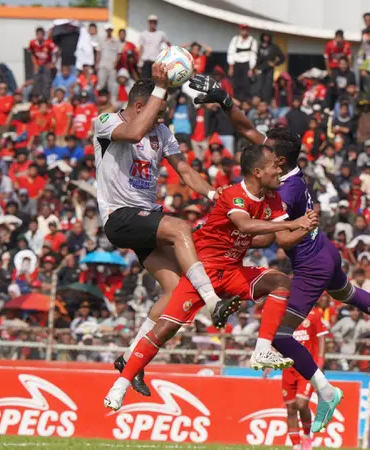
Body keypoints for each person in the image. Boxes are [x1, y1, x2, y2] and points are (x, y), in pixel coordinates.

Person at [188, 72, 370, 430]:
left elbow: (283, 240)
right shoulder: (287, 168)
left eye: (267, 146)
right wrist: (224, 99)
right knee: (346, 292)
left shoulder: (284, 193)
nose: (261, 145)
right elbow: (247, 130)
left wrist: (247, 235)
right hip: (327, 252)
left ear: (276, 158)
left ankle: (325, 391)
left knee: (280, 336)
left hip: (309, 264)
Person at [104, 144, 324, 407]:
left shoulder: (272, 200)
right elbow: (244, 224)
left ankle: (262, 349)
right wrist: (292, 223)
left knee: (280, 281)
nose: (280, 170)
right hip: (203, 270)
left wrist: (305, 227)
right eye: (274, 166)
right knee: (165, 329)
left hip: (232, 271)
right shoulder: (233, 194)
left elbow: (277, 239)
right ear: (257, 172)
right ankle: (120, 384)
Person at [93, 66, 237, 397]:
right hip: (119, 216)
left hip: (146, 217)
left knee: (177, 297)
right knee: (180, 227)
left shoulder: (163, 132)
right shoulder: (105, 123)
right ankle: (213, 300)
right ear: (142, 106)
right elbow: (132, 134)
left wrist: (214, 195)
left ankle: (130, 360)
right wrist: (160, 88)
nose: (165, 115)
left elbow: (185, 170)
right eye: (160, 108)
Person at [282, 302, 328, 450]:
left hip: (307, 367)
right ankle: (296, 445)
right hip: (288, 367)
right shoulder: (284, 315)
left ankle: (307, 435)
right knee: (290, 408)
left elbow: (321, 338)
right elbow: (275, 338)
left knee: (301, 404)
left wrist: (320, 361)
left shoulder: (314, 314)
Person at [226, 24, 258, 101]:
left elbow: (253, 55)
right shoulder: (235, 39)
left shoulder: (252, 40)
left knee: (246, 85)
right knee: (236, 84)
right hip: (236, 64)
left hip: (246, 64)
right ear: (240, 30)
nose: (244, 31)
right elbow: (231, 52)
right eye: (243, 29)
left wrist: (251, 68)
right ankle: (237, 101)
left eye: (246, 29)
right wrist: (231, 67)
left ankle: (245, 102)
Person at [137, 15, 169, 80]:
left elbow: (168, 44)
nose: (153, 23)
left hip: (156, 63)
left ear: (156, 23)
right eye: (151, 22)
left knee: (155, 82)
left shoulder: (161, 34)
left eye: (154, 22)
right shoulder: (143, 34)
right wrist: (139, 62)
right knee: (145, 82)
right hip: (146, 62)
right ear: (148, 22)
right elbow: (141, 48)